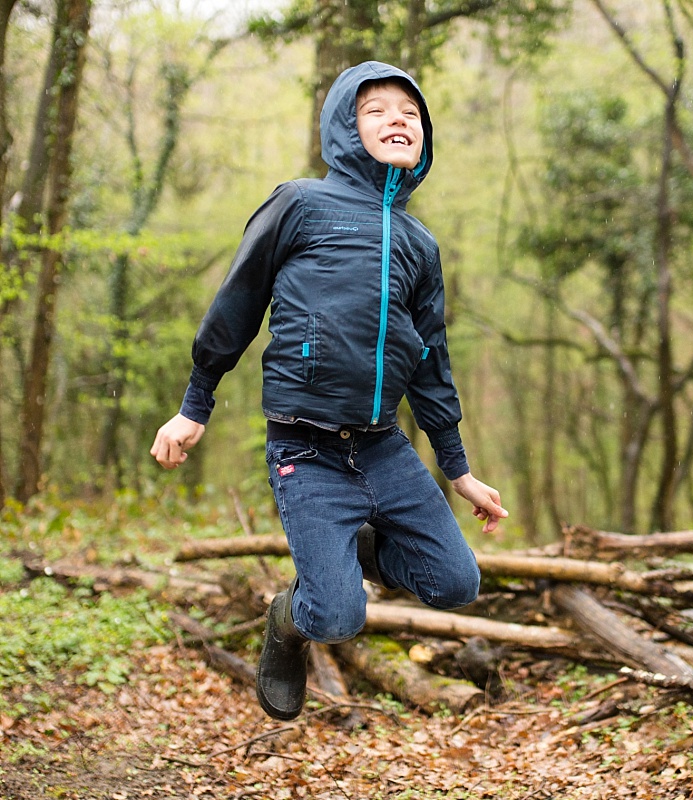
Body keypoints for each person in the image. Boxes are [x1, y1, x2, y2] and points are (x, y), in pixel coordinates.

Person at [150, 61, 507, 721]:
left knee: (458, 583)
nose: (397, 119)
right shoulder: (300, 204)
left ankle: (368, 547)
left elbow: (430, 360)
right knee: (338, 617)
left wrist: (458, 468)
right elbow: (238, 302)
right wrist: (194, 404)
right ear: (345, 129)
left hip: (383, 448)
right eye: (376, 110)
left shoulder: (419, 246)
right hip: (305, 448)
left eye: (410, 112)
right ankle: (289, 617)